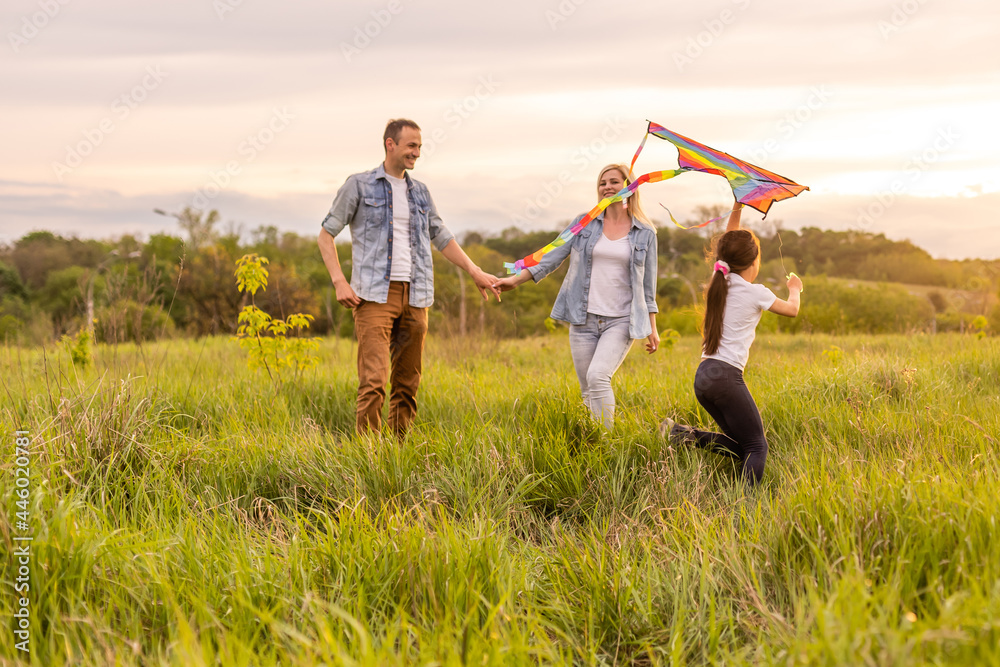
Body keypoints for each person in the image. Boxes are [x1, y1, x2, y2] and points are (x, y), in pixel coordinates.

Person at [317, 118, 500, 436]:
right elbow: (325, 234)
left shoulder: (421, 192)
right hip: (374, 296)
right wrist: (339, 281)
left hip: (416, 297)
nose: (417, 152)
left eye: (420, 146)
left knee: (407, 382)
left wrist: (475, 271)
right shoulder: (358, 185)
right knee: (373, 382)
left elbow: (442, 236)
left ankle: (397, 454)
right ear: (391, 144)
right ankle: (369, 460)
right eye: (411, 145)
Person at [493, 164, 660, 429]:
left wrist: (652, 328)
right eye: (602, 183)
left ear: (629, 187)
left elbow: (648, 288)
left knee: (597, 377)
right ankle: (594, 445)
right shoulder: (585, 222)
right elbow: (550, 258)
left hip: (620, 320)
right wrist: (515, 280)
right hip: (582, 320)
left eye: (614, 182)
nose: (607, 187)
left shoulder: (646, 233)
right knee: (587, 391)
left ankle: (607, 445)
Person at [660, 201, 802, 486]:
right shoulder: (756, 292)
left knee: (742, 446)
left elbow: (727, 242)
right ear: (755, 262)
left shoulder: (718, 281)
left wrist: (738, 205)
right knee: (757, 447)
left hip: (704, 377)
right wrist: (795, 289)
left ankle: (680, 434)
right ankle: (745, 505)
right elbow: (792, 310)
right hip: (726, 376)